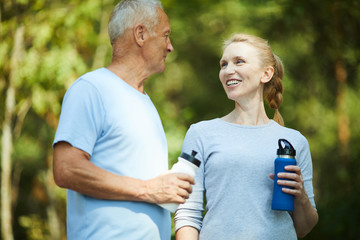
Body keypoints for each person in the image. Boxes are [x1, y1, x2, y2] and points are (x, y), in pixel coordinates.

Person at [52, 1, 194, 239]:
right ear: (140, 34)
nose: (170, 47)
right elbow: (66, 168)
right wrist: (150, 190)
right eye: (166, 36)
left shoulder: (147, 103)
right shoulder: (91, 89)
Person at [174, 33, 319, 239]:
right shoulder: (201, 133)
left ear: (266, 74)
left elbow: (304, 228)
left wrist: (301, 196)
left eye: (239, 62)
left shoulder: (294, 142)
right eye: (223, 64)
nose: (227, 70)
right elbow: (188, 214)